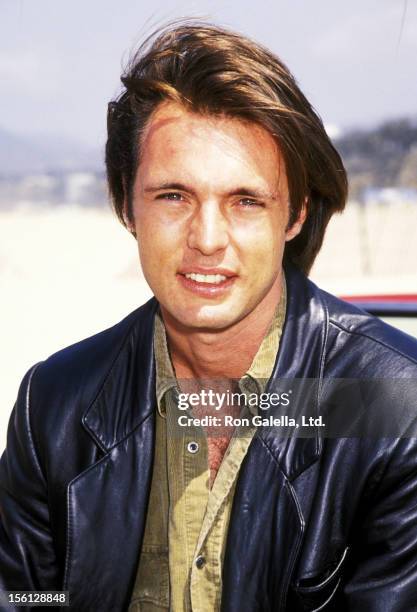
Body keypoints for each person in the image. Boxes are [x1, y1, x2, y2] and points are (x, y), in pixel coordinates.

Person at [1, 23, 417, 612]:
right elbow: (26, 595)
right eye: (174, 195)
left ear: (294, 214)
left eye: (245, 201)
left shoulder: (396, 405)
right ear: (126, 204)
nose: (207, 238)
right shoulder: (55, 404)